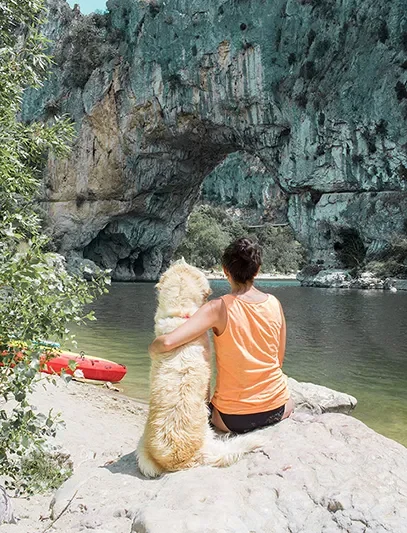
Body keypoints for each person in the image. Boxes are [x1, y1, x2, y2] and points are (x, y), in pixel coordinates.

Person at [149, 237, 294, 434]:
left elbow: (167, 343)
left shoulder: (217, 308)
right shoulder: (274, 303)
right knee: (289, 398)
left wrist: (152, 348)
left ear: (225, 271)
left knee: (208, 409)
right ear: (257, 270)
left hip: (232, 419)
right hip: (277, 408)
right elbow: (278, 360)